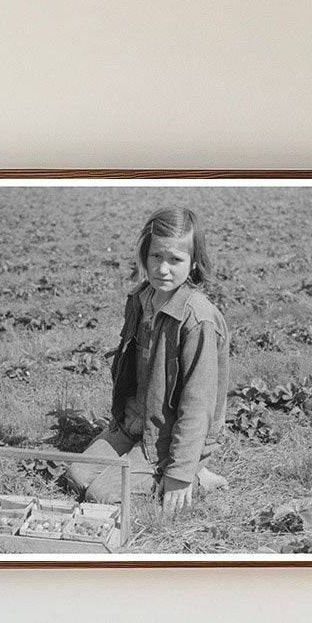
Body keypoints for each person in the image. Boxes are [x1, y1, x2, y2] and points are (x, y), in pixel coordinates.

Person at [66, 207, 230, 516]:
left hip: (167, 439)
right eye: (156, 257)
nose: (163, 269)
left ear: (193, 263)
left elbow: (198, 404)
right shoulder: (141, 300)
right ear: (145, 254)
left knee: (101, 496)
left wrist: (179, 475)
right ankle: (139, 456)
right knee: (76, 477)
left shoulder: (197, 320)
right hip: (134, 425)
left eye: (175, 260)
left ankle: (193, 470)